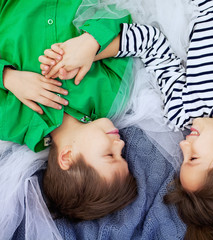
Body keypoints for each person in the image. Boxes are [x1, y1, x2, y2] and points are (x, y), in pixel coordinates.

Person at [40, 0, 213, 237]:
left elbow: (153, 47)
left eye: (183, 158)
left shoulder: (184, 110)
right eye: (193, 158)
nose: (183, 145)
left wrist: (91, 51)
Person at [0, 0, 137, 221]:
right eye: (123, 155)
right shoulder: (110, 99)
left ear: (67, 157)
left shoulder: (15, 123)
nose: (121, 144)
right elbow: (121, 19)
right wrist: (90, 44)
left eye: (111, 155)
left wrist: (9, 78)